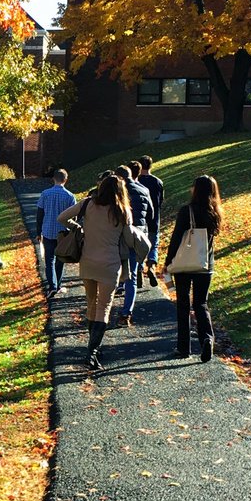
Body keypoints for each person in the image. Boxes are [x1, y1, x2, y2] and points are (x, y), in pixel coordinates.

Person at [59, 174, 135, 372]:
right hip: (110, 264)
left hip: (88, 261)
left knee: (91, 302)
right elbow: (128, 238)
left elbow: (62, 217)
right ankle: (93, 351)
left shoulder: (87, 204)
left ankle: (91, 348)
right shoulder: (123, 211)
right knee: (104, 306)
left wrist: (78, 228)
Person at [165, 174, 223, 362]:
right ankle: (207, 338)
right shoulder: (215, 213)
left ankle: (184, 347)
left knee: (183, 304)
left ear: (196, 190)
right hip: (205, 263)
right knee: (201, 303)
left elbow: (176, 238)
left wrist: (168, 261)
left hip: (185, 263)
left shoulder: (186, 211)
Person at [113, 165, 153, 327]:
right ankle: (126, 312)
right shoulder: (144, 189)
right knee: (132, 276)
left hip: (120, 235)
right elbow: (151, 214)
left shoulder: (118, 192)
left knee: (112, 271)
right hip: (138, 235)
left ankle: (104, 308)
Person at [34, 169, 78, 295]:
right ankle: (57, 285)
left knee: (49, 260)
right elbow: (74, 217)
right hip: (63, 233)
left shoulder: (45, 194)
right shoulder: (70, 196)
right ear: (65, 180)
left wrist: (38, 232)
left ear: (53, 179)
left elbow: (40, 214)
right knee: (61, 259)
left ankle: (52, 286)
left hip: (48, 231)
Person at [136, 156, 166, 285]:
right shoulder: (158, 182)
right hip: (154, 219)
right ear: (151, 166)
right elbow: (160, 201)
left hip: (140, 219)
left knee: (139, 245)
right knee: (153, 245)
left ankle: (139, 268)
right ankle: (151, 266)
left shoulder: (137, 182)